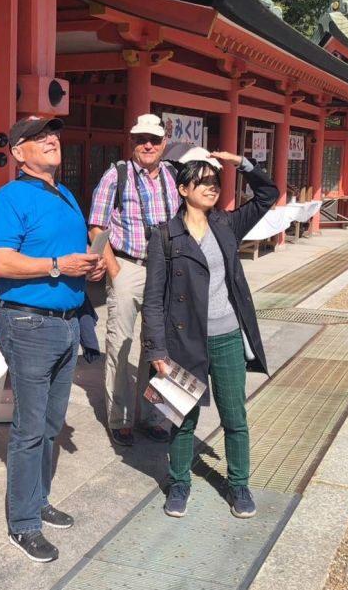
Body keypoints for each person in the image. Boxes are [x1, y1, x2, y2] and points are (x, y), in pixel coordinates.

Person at [0, 115, 105, 563]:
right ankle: (23, 524)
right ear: (19, 153)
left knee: (52, 423)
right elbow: (1, 263)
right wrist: (58, 266)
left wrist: (88, 267)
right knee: (30, 429)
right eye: (38, 137)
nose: (51, 140)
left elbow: (70, 255)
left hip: (67, 322)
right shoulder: (9, 197)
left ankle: (38, 500)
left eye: (53, 134)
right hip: (29, 324)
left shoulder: (67, 193)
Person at [141, 147, 279, 519]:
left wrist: (241, 164)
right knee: (182, 418)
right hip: (183, 340)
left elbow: (268, 196)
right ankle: (179, 482)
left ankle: (238, 484)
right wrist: (156, 350)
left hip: (229, 336)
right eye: (202, 181)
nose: (211, 187)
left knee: (234, 417)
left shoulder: (226, 226)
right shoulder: (165, 236)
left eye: (215, 181)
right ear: (183, 189)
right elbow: (153, 299)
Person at [88, 113, 181, 446]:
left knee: (161, 346)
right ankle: (121, 417)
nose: (148, 145)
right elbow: (97, 227)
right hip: (129, 265)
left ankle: (155, 416)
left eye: (154, 140)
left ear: (164, 144)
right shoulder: (117, 175)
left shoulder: (174, 175)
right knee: (121, 344)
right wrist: (112, 270)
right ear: (132, 141)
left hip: (167, 269)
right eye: (142, 138)